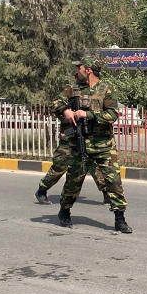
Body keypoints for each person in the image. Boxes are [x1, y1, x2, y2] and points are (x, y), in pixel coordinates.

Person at [54, 57, 132, 233]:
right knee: (73, 181)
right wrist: (66, 111)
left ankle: (120, 219)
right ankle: (64, 211)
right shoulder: (73, 89)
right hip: (80, 143)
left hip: (104, 146)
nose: (76, 72)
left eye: (79, 68)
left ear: (88, 70)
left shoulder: (106, 89)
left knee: (113, 182)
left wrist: (88, 115)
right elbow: (56, 103)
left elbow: (112, 114)